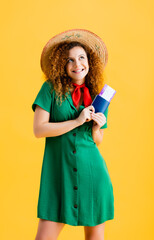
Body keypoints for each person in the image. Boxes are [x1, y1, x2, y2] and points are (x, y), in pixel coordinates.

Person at [32, 29, 114, 240]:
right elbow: (39, 129)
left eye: (81, 58)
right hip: (58, 174)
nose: (77, 64)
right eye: (69, 60)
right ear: (62, 64)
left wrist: (96, 128)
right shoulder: (49, 89)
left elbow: (98, 140)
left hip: (93, 174)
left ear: (89, 62)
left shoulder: (97, 95)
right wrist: (77, 121)